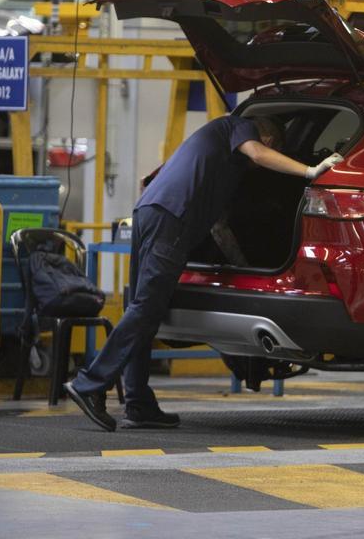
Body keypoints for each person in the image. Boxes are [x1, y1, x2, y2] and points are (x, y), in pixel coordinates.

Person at [65, 114, 341, 431]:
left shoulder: (218, 159)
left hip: (149, 211)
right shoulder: (241, 126)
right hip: (172, 219)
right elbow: (256, 153)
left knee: (144, 310)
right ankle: (90, 384)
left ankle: (139, 403)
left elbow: (217, 226)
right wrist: (310, 170)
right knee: (146, 309)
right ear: (269, 139)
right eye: (274, 150)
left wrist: (241, 266)